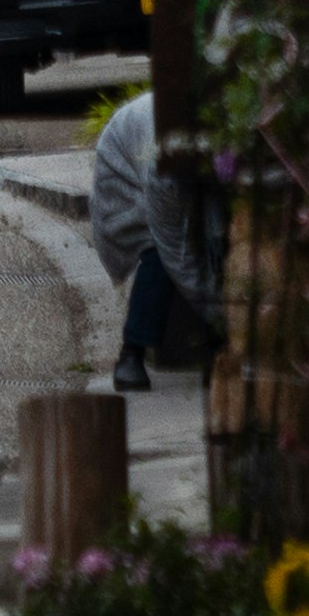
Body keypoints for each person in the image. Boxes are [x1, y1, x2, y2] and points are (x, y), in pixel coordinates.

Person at [87, 87, 220, 393]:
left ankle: (217, 348)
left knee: (221, 237)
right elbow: (177, 252)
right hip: (127, 185)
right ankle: (131, 353)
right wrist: (223, 315)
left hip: (191, 172)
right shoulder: (162, 167)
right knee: (158, 254)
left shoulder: (217, 139)